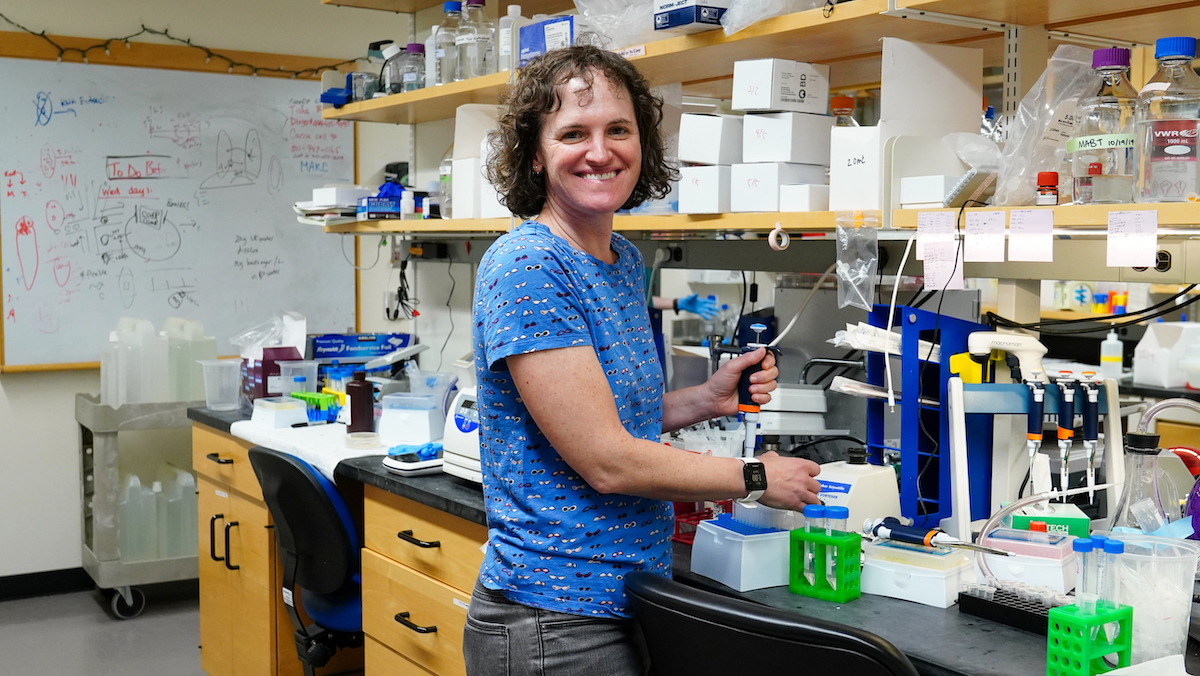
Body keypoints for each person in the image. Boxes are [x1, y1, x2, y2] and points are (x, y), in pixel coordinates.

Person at [466, 45, 823, 676]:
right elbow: (607, 461)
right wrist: (755, 475)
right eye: (573, 133)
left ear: (643, 145)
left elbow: (608, 417)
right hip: (555, 619)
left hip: (626, 598)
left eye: (618, 130)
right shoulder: (529, 265)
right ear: (535, 154)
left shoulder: (623, 261)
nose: (600, 152)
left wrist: (705, 400)